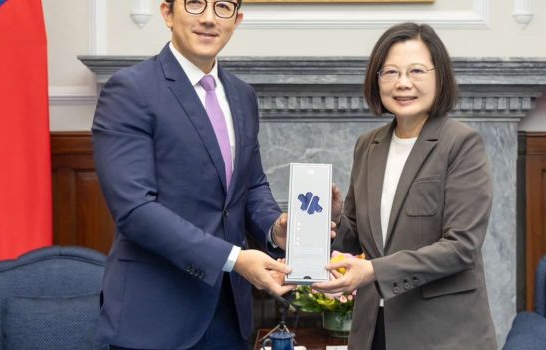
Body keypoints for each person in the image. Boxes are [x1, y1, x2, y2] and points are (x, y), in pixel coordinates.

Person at [91, 0, 298, 348]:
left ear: (237, 20)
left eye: (222, 6)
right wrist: (234, 259)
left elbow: (250, 186)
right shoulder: (130, 89)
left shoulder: (242, 95)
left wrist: (274, 228)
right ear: (167, 13)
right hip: (155, 319)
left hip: (230, 317)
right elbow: (135, 211)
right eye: (195, 3)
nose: (208, 18)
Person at [313, 22, 498, 349]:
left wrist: (372, 271)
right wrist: (334, 219)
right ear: (376, 79)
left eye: (415, 71)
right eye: (390, 72)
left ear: (439, 76)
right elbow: (358, 238)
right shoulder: (367, 145)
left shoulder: (461, 143)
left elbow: (461, 246)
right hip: (374, 329)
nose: (402, 83)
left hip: (443, 334)